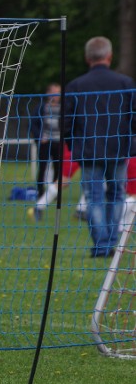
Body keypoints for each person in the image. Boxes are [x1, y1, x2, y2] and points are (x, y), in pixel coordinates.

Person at [63, 36, 136, 258]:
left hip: (88, 150)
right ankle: (110, 242)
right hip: (118, 148)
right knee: (117, 194)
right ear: (109, 56)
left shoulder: (76, 86)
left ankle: (101, 245)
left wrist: (73, 145)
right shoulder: (125, 83)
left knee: (93, 197)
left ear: (87, 58)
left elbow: (66, 122)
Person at [30, 83, 64, 201]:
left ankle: (54, 193)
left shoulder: (63, 108)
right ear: (48, 93)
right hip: (45, 142)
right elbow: (33, 124)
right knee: (43, 167)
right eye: (53, 93)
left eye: (58, 93)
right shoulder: (41, 107)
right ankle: (40, 192)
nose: (55, 96)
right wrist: (39, 137)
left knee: (59, 168)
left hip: (59, 142)